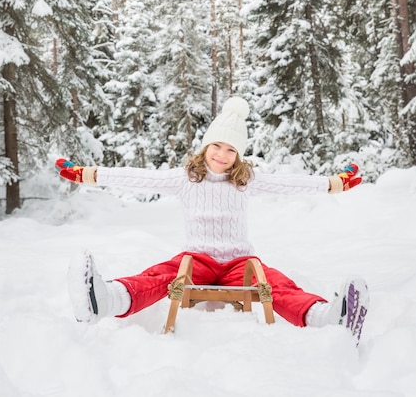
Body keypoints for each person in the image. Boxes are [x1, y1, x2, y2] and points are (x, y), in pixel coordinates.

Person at [56, 96, 369, 344]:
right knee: (162, 275)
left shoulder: (245, 180)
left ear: (239, 155)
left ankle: (324, 317)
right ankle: (105, 300)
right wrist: (90, 174)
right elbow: (138, 177)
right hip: (197, 258)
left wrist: (332, 183)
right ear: (206, 146)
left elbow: (290, 184)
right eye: (216, 145)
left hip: (239, 262)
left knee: (275, 282)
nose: (222, 154)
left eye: (230, 149)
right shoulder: (184, 179)